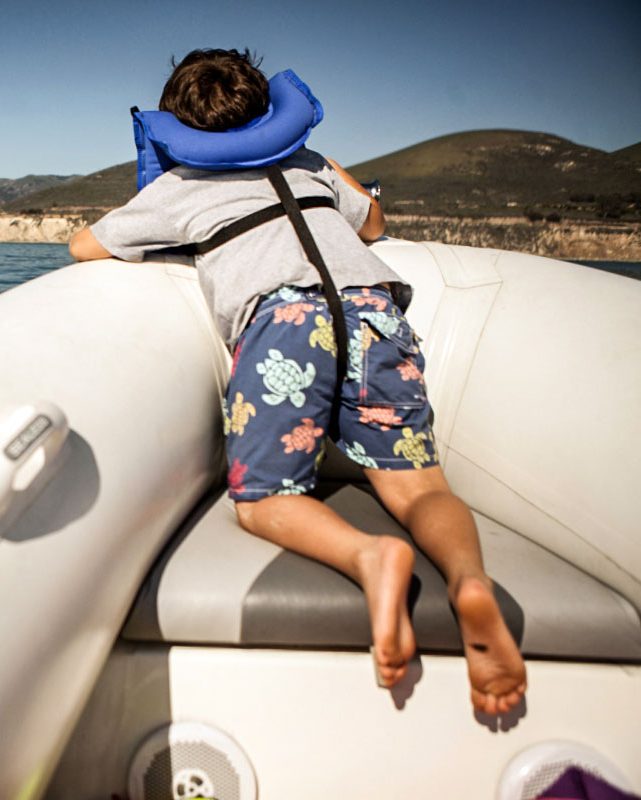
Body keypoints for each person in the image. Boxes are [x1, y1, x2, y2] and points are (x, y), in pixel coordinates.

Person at [69, 48, 527, 714]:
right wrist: (327, 164)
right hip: (374, 313)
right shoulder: (310, 163)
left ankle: (369, 558)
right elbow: (374, 223)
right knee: (421, 487)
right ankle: (469, 582)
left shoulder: (179, 186)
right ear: (268, 111)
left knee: (263, 499)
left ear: (181, 127)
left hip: (286, 323)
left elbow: (85, 246)